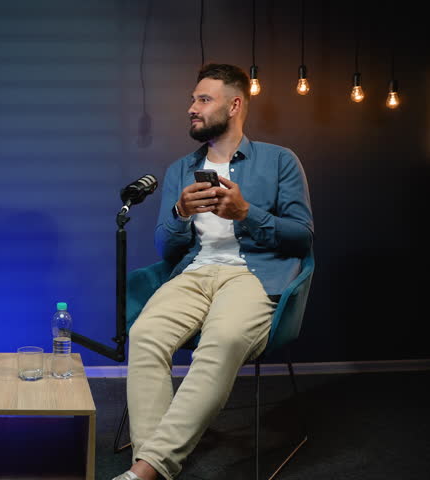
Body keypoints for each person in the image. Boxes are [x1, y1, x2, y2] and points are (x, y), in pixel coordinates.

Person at [113, 64, 313, 480]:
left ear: (235, 104)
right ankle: (151, 463)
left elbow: (302, 238)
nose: (192, 108)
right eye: (193, 99)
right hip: (194, 274)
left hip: (253, 277)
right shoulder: (181, 170)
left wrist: (248, 213)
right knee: (145, 335)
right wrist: (180, 213)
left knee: (222, 340)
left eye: (203, 99)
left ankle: (147, 470)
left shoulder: (280, 161)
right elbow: (166, 249)